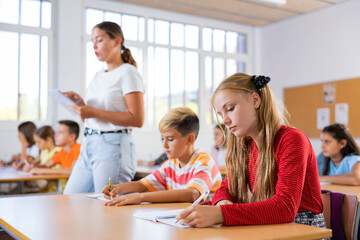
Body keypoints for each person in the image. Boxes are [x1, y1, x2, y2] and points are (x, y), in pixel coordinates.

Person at [175, 73, 325, 228]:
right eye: (220, 115)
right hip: (271, 227)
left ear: (255, 100)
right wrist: (222, 202)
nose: (225, 120)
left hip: (304, 228)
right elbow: (226, 187)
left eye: (230, 109)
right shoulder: (245, 145)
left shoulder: (292, 139)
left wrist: (220, 213)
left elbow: (284, 208)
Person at [63, 21, 144, 194]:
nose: (94, 46)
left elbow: (137, 119)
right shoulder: (98, 76)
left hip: (113, 146)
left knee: (106, 205)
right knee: (69, 199)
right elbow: (90, 117)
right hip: (89, 143)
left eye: (99, 40)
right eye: (92, 41)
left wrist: (93, 111)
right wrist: (80, 105)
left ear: (117, 41)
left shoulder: (128, 72)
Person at [102, 107, 222, 206]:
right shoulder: (170, 165)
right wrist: (117, 189)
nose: (164, 145)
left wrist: (140, 197)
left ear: (190, 139)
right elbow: (142, 185)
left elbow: (192, 194)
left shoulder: (204, 162)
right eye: (162, 139)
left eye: (170, 139)